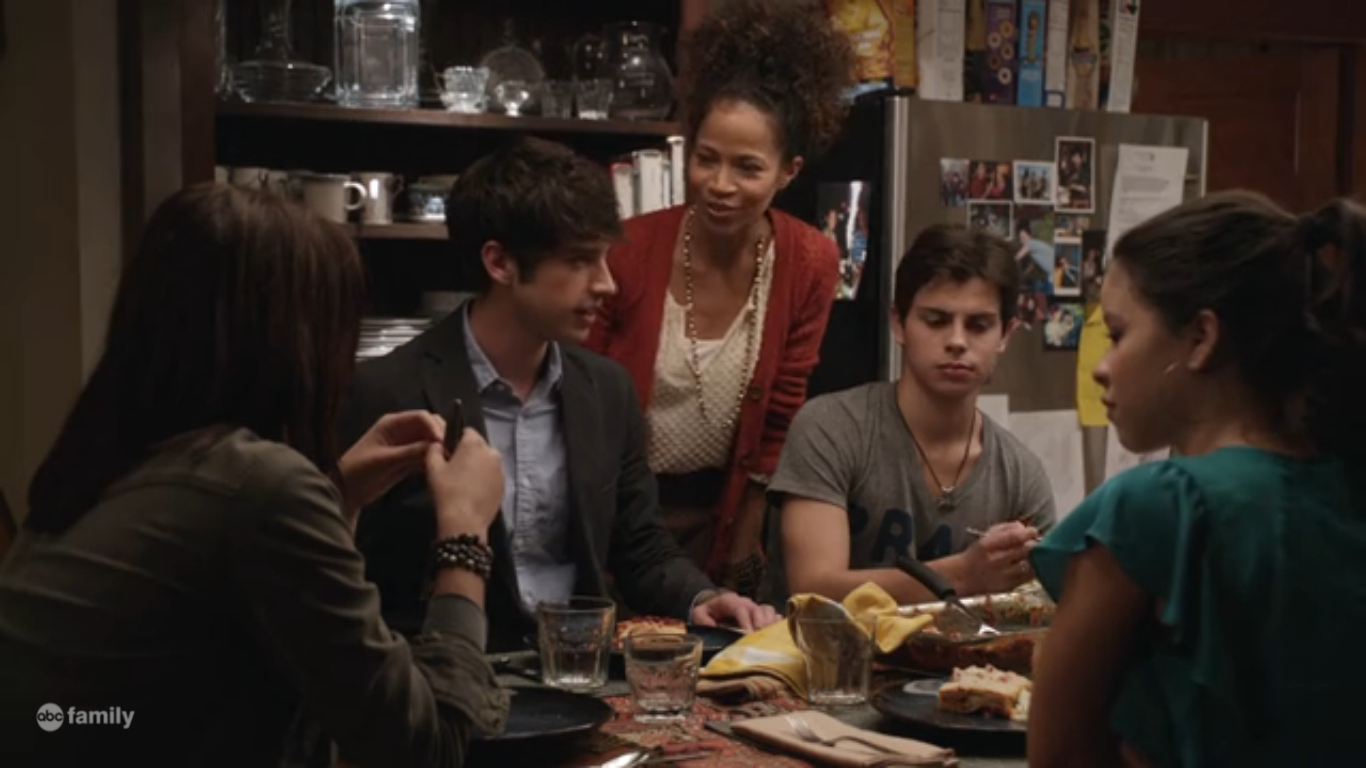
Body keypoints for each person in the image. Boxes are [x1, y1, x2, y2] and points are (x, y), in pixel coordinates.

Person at [0, 185, 507, 766]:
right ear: (296, 341)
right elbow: (424, 746)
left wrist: (338, 494)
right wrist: (464, 534)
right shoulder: (259, 486)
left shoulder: (102, 463)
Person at [343, 137, 779, 654]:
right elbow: (352, 574)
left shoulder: (606, 388)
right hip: (446, 672)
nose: (607, 284)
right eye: (579, 261)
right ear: (499, 263)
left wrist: (703, 598)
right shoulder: (387, 390)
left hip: (580, 671)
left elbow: (640, 545)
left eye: (605, 258)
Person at [1028, 191, 1366, 767]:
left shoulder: (1162, 505)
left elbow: (1058, 756)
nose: (1100, 367)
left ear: (1201, 338)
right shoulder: (1347, 486)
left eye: (1117, 334)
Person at [585, 0, 852, 592]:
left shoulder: (810, 262)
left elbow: (780, 414)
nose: (720, 185)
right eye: (706, 159)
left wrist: (742, 544)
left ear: (788, 172)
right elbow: (580, 395)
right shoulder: (628, 250)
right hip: (613, 519)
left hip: (722, 519)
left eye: (748, 168)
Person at [764, 224, 1056, 605]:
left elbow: (1046, 605)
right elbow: (814, 591)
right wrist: (964, 575)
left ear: (1005, 335)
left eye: (978, 325)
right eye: (936, 321)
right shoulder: (831, 428)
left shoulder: (1019, 474)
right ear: (899, 324)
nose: (957, 341)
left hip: (965, 648)